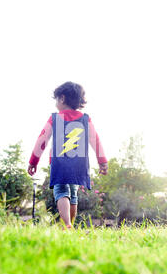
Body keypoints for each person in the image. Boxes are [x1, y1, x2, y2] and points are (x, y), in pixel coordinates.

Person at [28, 81, 108, 229]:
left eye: (56, 99)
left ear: (62, 98)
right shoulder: (85, 119)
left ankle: (67, 224)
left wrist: (33, 161)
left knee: (61, 191)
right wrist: (102, 160)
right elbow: (94, 139)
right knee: (73, 193)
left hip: (60, 162)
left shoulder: (55, 118)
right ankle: (70, 225)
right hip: (79, 162)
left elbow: (42, 139)